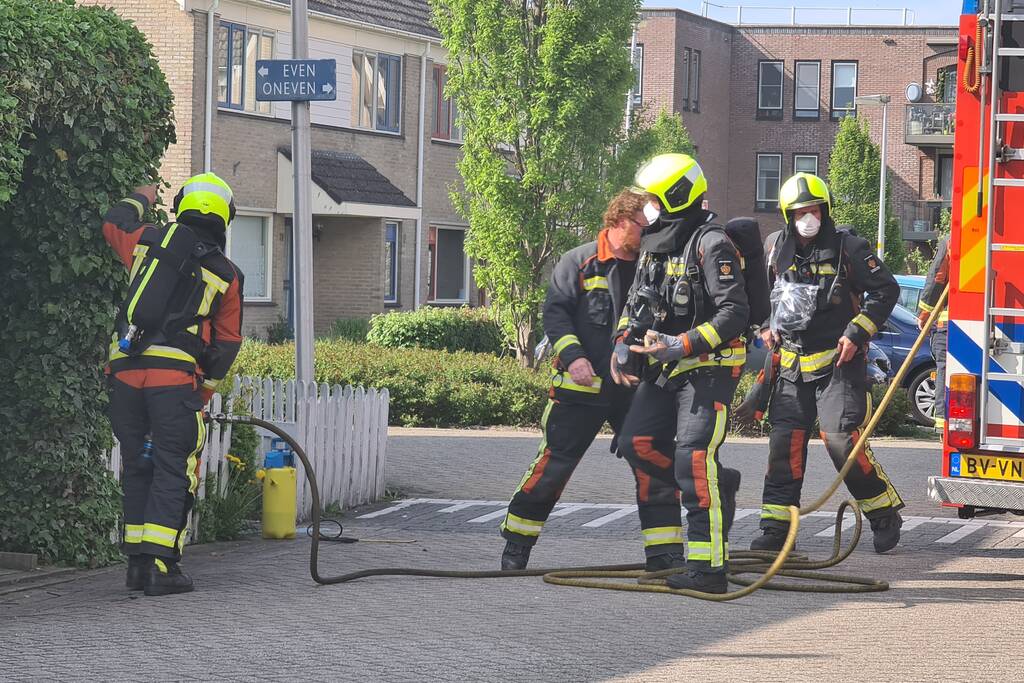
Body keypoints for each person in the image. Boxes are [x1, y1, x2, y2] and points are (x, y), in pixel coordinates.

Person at [500, 190, 685, 572]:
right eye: (643, 224)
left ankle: (664, 554)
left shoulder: (653, 265)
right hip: (580, 388)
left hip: (635, 389)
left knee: (653, 464)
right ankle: (517, 545)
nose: (650, 231)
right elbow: (556, 316)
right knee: (554, 465)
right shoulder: (579, 262)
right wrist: (575, 358)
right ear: (619, 220)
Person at [613, 153, 749, 593]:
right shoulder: (655, 243)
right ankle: (668, 549)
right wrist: (621, 345)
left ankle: (709, 569)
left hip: (709, 367)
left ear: (674, 196)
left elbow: (735, 313)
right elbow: (637, 304)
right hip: (665, 369)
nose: (645, 207)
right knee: (638, 442)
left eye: (652, 198)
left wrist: (682, 343)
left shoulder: (712, 243)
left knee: (693, 457)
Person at [102, 173, 244, 595]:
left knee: (137, 463)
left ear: (182, 207)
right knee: (173, 467)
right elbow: (227, 343)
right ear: (224, 216)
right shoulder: (226, 272)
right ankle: (163, 568)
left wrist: (141, 197)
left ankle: (136, 566)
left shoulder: (148, 241)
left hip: (124, 372)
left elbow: (113, 223)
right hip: (173, 379)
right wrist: (201, 393)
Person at [752, 172, 904, 554]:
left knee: (840, 441)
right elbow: (762, 297)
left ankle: (883, 514)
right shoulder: (775, 248)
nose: (809, 217)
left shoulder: (848, 247)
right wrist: (765, 326)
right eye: (801, 211)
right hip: (790, 366)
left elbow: (885, 290)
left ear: (825, 209)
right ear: (788, 214)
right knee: (784, 446)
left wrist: (857, 333)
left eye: (815, 209)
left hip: (839, 363)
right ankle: (775, 528)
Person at [918, 236, 949, 430]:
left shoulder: (955, 240)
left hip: (951, 326)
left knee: (945, 370)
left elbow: (937, 276)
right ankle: (942, 421)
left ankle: (942, 423)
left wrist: (924, 314)